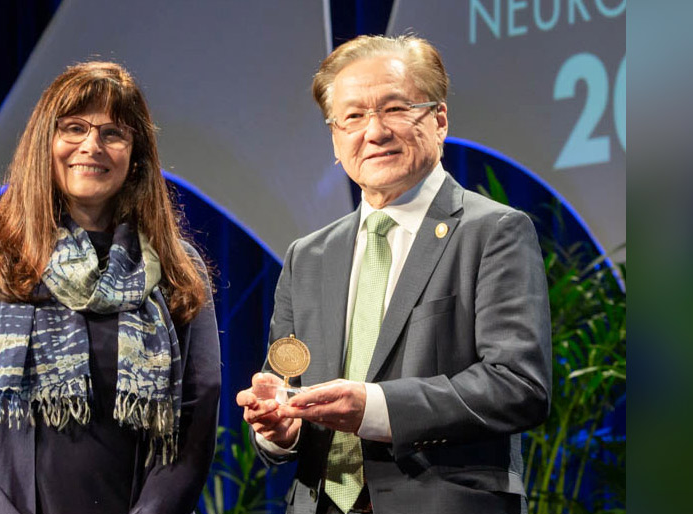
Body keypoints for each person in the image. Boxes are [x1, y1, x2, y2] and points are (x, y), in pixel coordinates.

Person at [236, 35, 551, 514]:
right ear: (335, 138)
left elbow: (517, 385)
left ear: (439, 119)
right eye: (353, 116)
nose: (375, 131)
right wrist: (281, 429)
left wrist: (375, 407)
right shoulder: (309, 256)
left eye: (395, 108)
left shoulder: (494, 232)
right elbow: (285, 386)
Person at [0, 61, 221, 514]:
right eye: (73, 128)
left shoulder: (176, 269)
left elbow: (195, 419)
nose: (91, 145)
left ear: (135, 154)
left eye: (113, 133)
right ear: (45, 142)